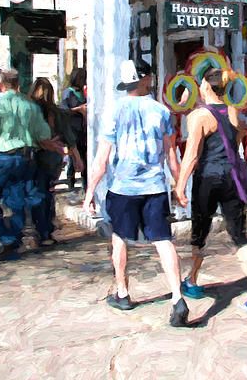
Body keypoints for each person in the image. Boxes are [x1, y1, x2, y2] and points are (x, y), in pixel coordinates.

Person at [83, 59, 188, 327]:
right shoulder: (162, 112)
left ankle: (123, 292)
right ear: (145, 79)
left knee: (119, 238)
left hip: (123, 187)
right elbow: (171, 155)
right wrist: (179, 186)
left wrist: (90, 192)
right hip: (154, 187)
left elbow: (102, 160)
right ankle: (177, 297)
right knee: (163, 240)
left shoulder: (113, 112)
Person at [174, 67, 247, 311]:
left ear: (205, 86)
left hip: (208, 177)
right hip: (231, 178)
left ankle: (192, 281)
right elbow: (235, 144)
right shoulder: (232, 111)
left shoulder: (199, 116)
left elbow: (192, 155)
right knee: (239, 234)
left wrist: (180, 185)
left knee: (199, 232)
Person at [0, 70, 61, 261]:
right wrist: (56, 147)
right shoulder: (30, 107)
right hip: (23, 157)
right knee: (18, 199)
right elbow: (43, 136)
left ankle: (7, 238)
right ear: (18, 84)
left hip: (0, 159)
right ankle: (15, 234)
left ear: (1, 85)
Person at [27, 77, 83, 246]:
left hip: (33, 157)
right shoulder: (58, 113)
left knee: (37, 193)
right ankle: (46, 230)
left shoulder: (28, 112)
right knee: (47, 192)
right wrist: (77, 159)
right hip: (53, 159)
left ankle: (41, 229)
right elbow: (70, 140)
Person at [60, 68, 88, 191]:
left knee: (84, 157)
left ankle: (85, 184)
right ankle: (70, 184)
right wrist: (79, 109)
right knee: (73, 158)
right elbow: (64, 110)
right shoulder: (68, 93)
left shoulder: (82, 92)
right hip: (72, 130)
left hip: (82, 130)